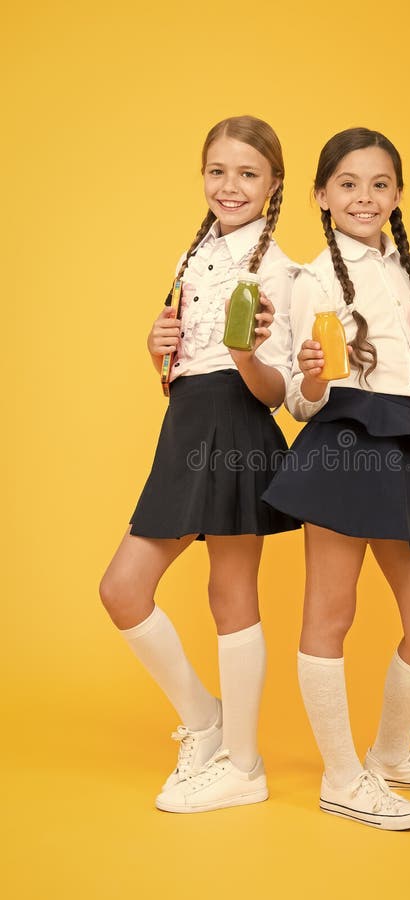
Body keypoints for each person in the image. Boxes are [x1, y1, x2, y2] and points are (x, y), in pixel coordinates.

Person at [263, 127, 410, 831]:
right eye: (347, 184)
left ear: (397, 194)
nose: (364, 197)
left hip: (402, 442)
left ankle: (388, 756)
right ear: (322, 195)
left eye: (378, 184)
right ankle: (340, 778)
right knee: (331, 614)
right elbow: (297, 398)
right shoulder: (311, 277)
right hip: (341, 443)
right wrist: (316, 381)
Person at [99, 115, 299, 815]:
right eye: (217, 170)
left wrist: (247, 357)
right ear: (203, 175)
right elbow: (180, 367)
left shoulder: (282, 270)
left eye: (248, 173)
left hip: (235, 419)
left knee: (230, 594)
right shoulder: (191, 256)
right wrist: (156, 350)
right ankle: (209, 722)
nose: (230, 185)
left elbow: (283, 395)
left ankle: (242, 765)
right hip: (185, 419)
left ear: (274, 184)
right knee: (123, 589)